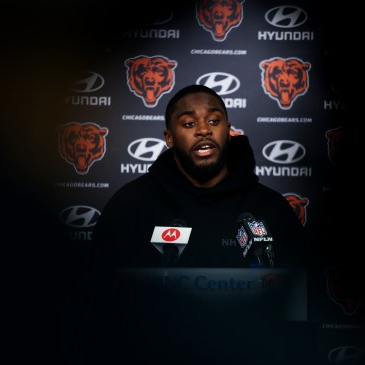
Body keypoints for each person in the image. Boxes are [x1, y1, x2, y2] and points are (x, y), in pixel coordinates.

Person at [92, 84, 308, 270]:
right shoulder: (130, 205)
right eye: (189, 123)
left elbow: (298, 289)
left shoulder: (270, 207)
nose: (204, 130)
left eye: (214, 121)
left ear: (228, 131)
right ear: (169, 138)